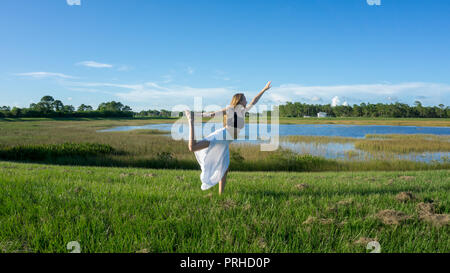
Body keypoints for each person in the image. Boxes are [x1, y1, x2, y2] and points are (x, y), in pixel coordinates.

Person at [184, 81, 272, 194]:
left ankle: (221, 195)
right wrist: (196, 116)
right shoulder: (231, 109)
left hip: (225, 142)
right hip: (221, 136)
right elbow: (213, 114)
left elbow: (255, 100)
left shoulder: (243, 111)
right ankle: (190, 120)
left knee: (224, 169)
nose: (247, 100)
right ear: (239, 100)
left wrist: (264, 89)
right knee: (193, 147)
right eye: (245, 98)